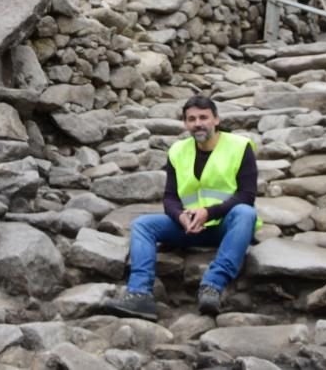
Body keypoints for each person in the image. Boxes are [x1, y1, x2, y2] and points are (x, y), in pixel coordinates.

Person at [102, 96, 259, 321]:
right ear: (185, 124)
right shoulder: (178, 150)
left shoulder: (239, 147)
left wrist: (208, 213)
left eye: (204, 117)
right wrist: (180, 216)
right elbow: (170, 197)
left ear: (216, 119)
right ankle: (139, 294)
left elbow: (247, 195)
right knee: (142, 225)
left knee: (246, 213)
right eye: (191, 119)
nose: (198, 123)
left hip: (227, 227)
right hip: (189, 226)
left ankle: (212, 286)